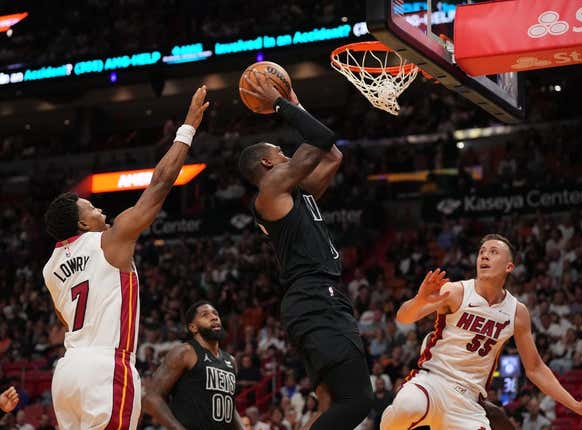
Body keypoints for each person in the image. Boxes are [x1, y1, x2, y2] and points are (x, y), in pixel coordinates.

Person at [42, 86, 210, 429]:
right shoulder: (110, 239)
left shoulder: (50, 267)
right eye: (92, 207)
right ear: (81, 223)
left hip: (68, 372)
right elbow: (160, 184)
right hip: (106, 369)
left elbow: (66, 319)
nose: (100, 209)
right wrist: (188, 127)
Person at [238, 71, 373, 430]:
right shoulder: (272, 188)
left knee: (331, 404)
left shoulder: (295, 193)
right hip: (315, 298)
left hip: (315, 300)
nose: (285, 153)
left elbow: (333, 155)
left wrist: (295, 101)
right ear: (268, 164)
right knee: (359, 400)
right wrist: (281, 103)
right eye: (279, 152)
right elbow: (321, 136)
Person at [380, 234, 582, 429]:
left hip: (468, 401)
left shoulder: (517, 312)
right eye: (481, 252)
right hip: (432, 382)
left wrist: (575, 405)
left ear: (509, 266)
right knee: (407, 408)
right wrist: (419, 300)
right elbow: (404, 317)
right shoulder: (455, 291)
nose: (484, 256)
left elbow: (535, 368)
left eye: (493, 252)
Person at [142, 301, 244, 429]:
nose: (214, 317)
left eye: (215, 313)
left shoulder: (231, 361)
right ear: (193, 328)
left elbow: (229, 407)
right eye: (205, 315)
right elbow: (151, 398)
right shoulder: (185, 352)